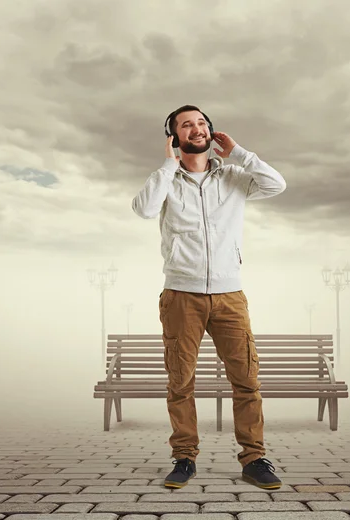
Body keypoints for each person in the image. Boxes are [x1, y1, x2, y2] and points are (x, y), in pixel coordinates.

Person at [131, 105, 286, 490]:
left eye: (201, 122)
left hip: (229, 295)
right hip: (181, 295)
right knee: (180, 381)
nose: (196, 128)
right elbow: (144, 209)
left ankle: (254, 459)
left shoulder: (234, 176)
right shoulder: (165, 181)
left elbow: (276, 185)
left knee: (247, 380)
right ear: (174, 137)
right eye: (187, 125)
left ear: (211, 131)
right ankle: (184, 457)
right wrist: (168, 166)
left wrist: (239, 152)